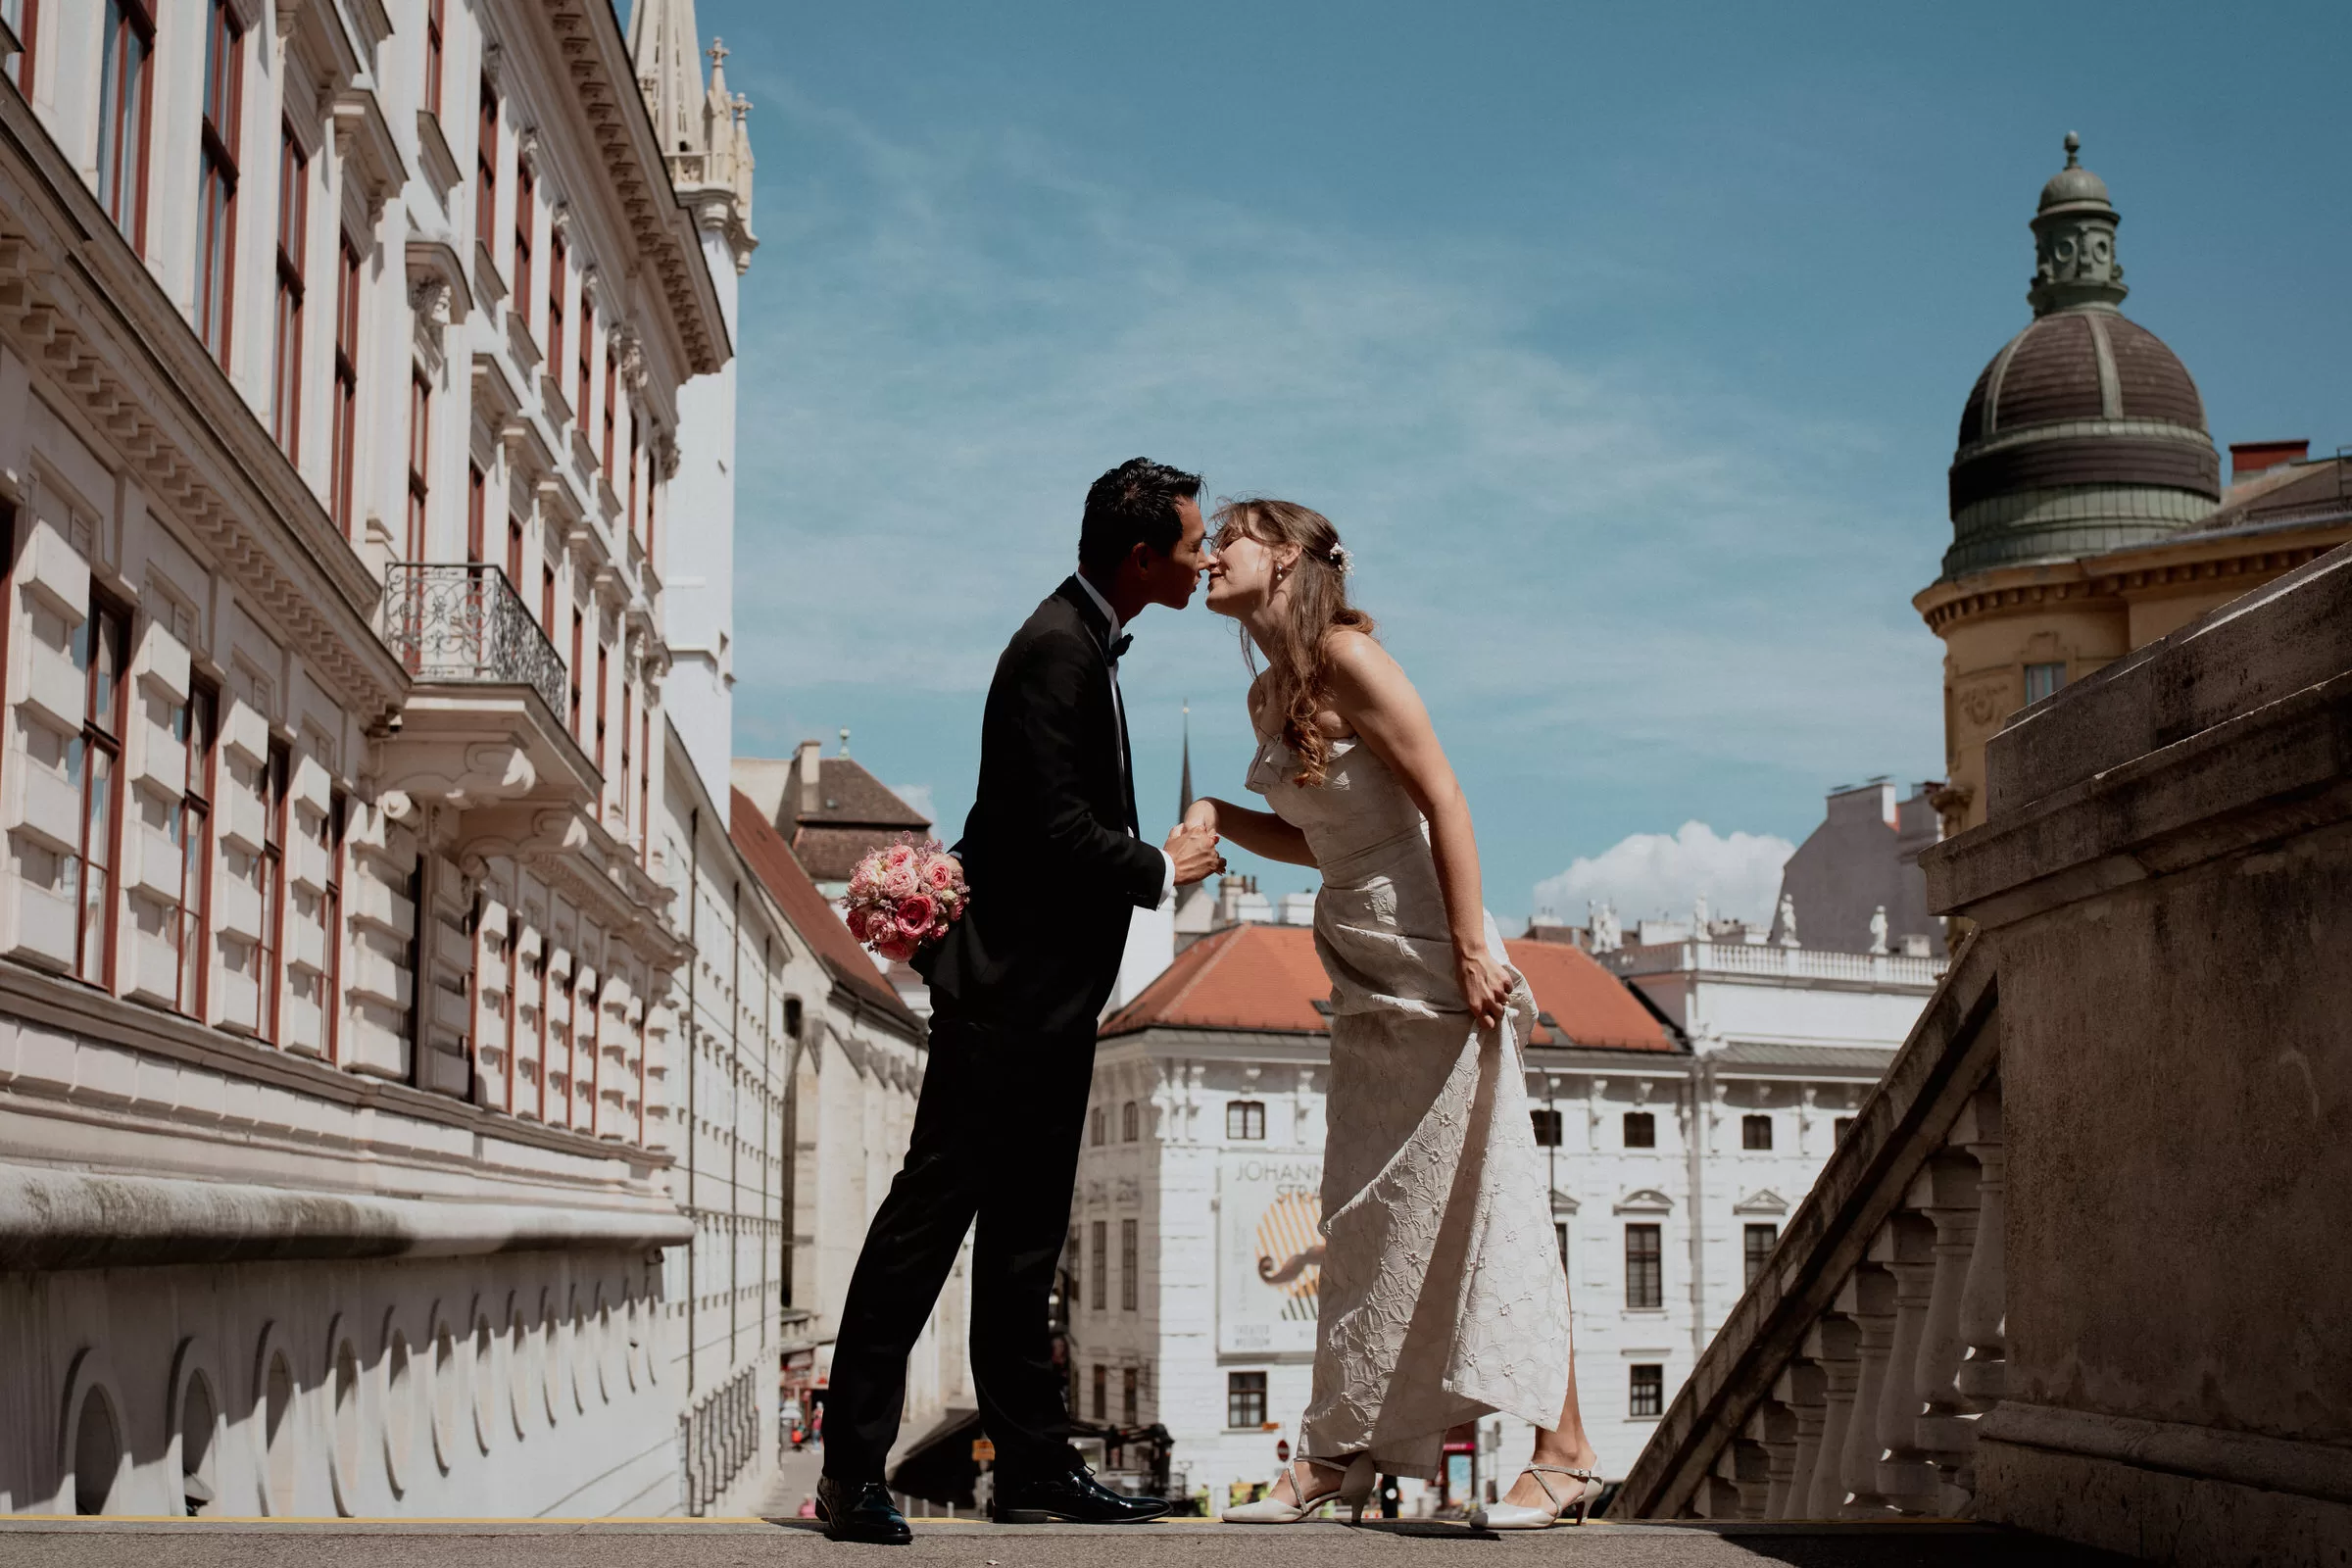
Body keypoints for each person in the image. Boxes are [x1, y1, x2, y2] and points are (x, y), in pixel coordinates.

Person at [814, 460, 1227, 1545]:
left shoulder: (1079, 640)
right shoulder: (1055, 649)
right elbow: (1048, 830)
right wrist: (1165, 865)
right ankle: (851, 1471)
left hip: (1045, 1003)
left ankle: (1035, 1470)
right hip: (1005, 1002)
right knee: (924, 1230)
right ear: (1140, 556)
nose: (1203, 558)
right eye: (1191, 545)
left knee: (1023, 1249)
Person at [1190, 499, 1604, 1531]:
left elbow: (1443, 799)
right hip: (1361, 955)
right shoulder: (1265, 694)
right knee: (1364, 1211)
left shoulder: (1352, 661)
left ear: (1283, 558)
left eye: (1227, 539)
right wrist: (1220, 820)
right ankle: (1339, 1451)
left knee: (1485, 1194)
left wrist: (1472, 947)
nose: (1207, 557)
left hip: (1434, 954)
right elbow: (1324, 837)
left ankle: (1566, 1450)